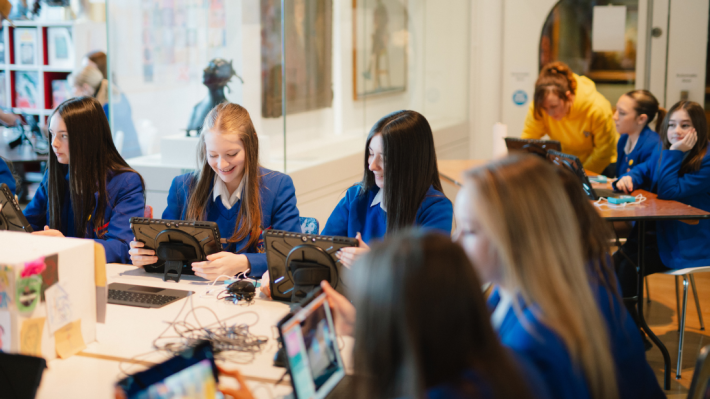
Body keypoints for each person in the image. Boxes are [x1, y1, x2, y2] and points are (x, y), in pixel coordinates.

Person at [456, 155, 619, 399]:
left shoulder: (532, 343)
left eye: (468, 231)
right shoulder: (508, 291)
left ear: (516, 238)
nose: (455, 241)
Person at [128, 103, 300, 280]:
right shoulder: (183, 187)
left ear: (251, 144)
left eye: (232, 154)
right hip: (194, 295)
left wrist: (244, 262)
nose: (222, 164)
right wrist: (145, 256)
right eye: (213, 155)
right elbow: (165, 249)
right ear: (204, 149)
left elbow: (290, 256)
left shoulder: (277, 187)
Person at [556, 168, 665, 398]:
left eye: (472, 230)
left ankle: (639, 327)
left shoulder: (584, 295)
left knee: (626, 267)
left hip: (673, 242)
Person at [321, 110, 453, 267]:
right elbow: (323, 250)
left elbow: (426, 275)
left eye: (384, 158)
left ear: (411, 162)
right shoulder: (355, 197)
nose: (372, 166)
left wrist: (374, 261)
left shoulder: (435, 209)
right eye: (370, 154)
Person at [23, 97, 145, 264]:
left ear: (88, 138)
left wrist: (66, 245)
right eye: (51, 134)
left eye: (63, 136)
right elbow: (26, 224)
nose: (54, 144)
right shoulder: (55, 175)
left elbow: (122, 247)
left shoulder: (126, 182)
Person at [614, 100, 710, 296]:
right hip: (658, 234)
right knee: (613, 263)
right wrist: (629, 177)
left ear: (698, 128)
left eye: (685, 125)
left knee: (628, 269)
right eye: (672, 125)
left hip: (686, 242)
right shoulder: (664, 150)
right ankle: (614, 321)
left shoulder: (705, 159)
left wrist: (675, 153)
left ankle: (632, 326)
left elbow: (669, 191)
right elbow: (644, 169)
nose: (677, 131)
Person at [522, 61, 618, 174]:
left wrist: (578, 174)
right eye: (545, 108)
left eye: (554, 106)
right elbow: (529, 139)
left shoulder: (598, 109)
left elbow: (603, 153)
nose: (550, 113)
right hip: (566, 163)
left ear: (568, 96)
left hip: (602, 165)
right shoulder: (539, 107)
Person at [69, 64, 142, 160]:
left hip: (124, 158)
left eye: (73, 87)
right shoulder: (117, 96)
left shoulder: (105, 108)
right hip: (133, 153)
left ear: (85, 88)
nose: (72, 92)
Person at [614, 90, 664, 179]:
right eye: (616, 110)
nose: (614, 117)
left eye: (621, 113)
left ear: (641, 119)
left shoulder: (653, 146)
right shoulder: (623, 139)